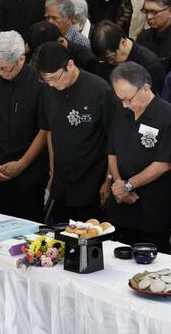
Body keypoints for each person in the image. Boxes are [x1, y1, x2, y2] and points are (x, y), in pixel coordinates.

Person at [36, 41, 115, 223]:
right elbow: (49, 131)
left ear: (70, 65)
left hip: (92, 182)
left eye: (54, 78)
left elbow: (114, 139)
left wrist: (109, 180)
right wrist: (52, 171)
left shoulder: (99, 90)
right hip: (61, 182)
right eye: (46, 80)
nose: (51, 84)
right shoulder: (48, 91)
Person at [106, 63, 171, 250]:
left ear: (145, 87)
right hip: (120, 203)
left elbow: (164, 163)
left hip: (152, 207)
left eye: (128, 99)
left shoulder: (169, 115)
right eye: (120, 98)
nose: (124, 104)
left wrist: (129, 185)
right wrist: (118, 184)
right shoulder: (121, 110)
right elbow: (112, 152)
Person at [0, 32, 48, 221]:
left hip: (29, 174)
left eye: (6, 68)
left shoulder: (40, 83)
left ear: (21, 59)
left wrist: (21, 164)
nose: (1, 72)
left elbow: (44, 130)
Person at [90, 20, 165, 94]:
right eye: (105, 59)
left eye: (111, 57)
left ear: (123, 43)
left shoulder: (149, 64)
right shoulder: (104, 62)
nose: (109, 62)